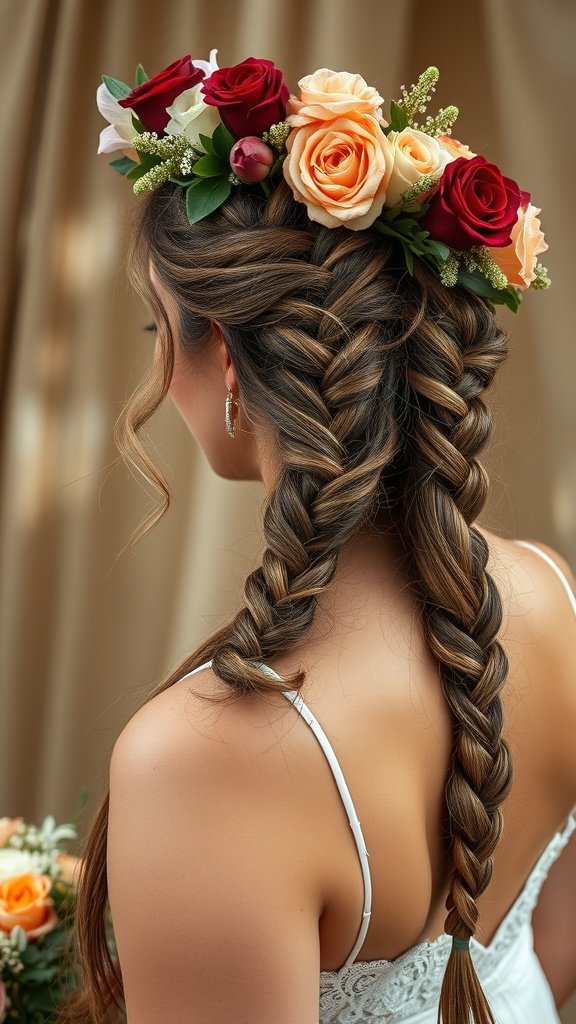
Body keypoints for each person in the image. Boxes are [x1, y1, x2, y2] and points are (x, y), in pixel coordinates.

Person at [59, 57, 575, 1024]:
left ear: (225, 359)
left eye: (155, 328)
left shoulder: (201, 763)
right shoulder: (555, 594)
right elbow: (547, 952)